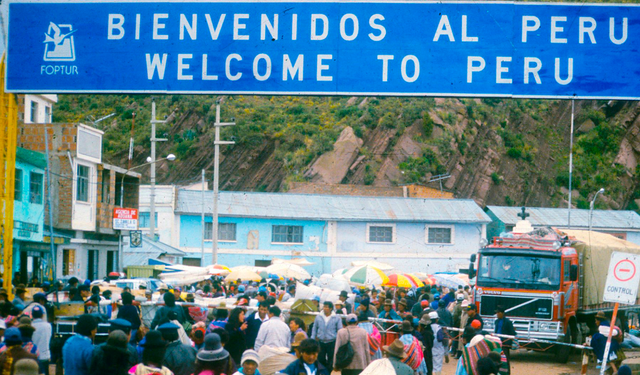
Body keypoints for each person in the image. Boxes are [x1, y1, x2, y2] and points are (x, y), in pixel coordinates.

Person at [311, 301, 343, 370]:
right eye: (324, 307)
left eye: (326, 307)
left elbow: (340, 330)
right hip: (321, 341)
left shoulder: (336, 318)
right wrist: (313, 338)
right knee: (320, 358)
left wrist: (338, 340)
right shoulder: (318, 317)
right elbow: (315, 328)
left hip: (332, 342)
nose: (324, 308)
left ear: (331, 308)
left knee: (331, 359)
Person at [493, 306, 516, 374]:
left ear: (502, 313)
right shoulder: (496, 321)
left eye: (498, 312)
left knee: (505, 360)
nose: (497, 314)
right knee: (497, 359)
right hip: (497, 343)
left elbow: (512, 333)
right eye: (496, 313)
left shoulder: (508, 322)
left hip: (505, 345)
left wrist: (507, 342)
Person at [31, 305, 51, 375]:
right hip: (45, 356)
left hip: (33, 356)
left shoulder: (30, 326)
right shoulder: (48, 326)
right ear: (42, 315)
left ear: (32, 315)